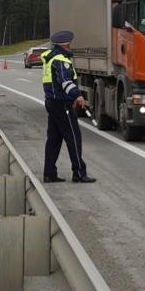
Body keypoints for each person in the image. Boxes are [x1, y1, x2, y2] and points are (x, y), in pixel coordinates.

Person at [41, 30, 96, 184]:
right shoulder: (61, 59)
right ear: (66, 44)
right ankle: (79, 173)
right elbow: (65, 81)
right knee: (73, 138)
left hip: (52, 102)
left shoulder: (50, 57)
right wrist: (77, 95)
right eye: (69, 43)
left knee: (54, 139)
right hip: (62, 104)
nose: (70, 45)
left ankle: (49, 173)